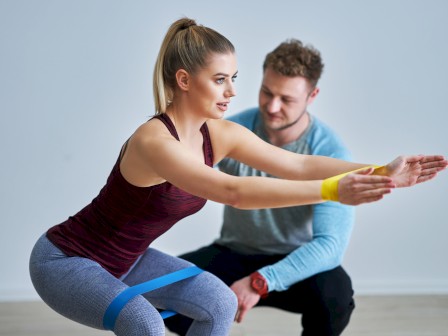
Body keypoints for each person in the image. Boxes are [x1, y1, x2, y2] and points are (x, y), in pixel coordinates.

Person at [28, 17, 446, 336]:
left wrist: (378, 170)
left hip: (129, 261)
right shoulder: (154, 142)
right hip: (68, 261)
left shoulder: (219, 133)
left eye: (234, 79)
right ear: (185, 80)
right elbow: (233, 190)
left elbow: (298, 164)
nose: (232, 91)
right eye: (221, 80)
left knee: (217, 301)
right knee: (144, 323)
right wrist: (334, 190)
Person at [164, 39, 357, 335]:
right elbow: (180, 170)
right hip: (233, 252)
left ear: (312, 95)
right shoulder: (231, 131)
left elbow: (330, 247)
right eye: (266, 92)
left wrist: (260, 281)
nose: (272, 106)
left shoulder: (329, 152)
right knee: (160, 287)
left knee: (336, 295)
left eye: (286, 99)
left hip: (296, 261)